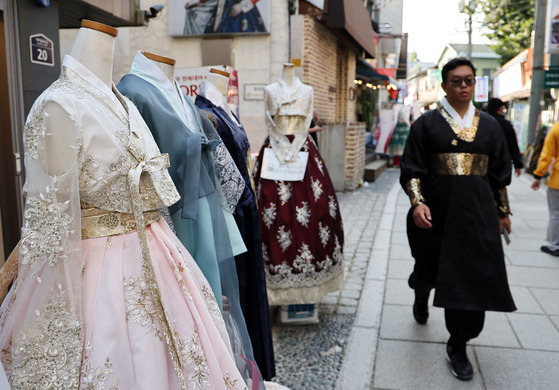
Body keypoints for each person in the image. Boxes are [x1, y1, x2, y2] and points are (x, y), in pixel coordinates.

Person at [0, 20, 248, 389]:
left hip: (157, 247)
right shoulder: (58, 104)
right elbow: (49, 219)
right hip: (99, 267)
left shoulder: (122, 101)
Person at [400, 57, 516, 381]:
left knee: (469, 278)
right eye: (456, 81)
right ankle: (421, 294)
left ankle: (458, 343)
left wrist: (503, 212)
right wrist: (417, 203)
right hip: (434, 214)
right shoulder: (425, 124)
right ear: (444, 85)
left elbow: (498, 175)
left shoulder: (491, 126)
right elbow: (411, 168)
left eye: (469, 80)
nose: (464, 86)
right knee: (428, 268)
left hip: (476, 217)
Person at [195, 68, 276, 380]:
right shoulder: (205, 113)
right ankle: (240, 367)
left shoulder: (225, 110)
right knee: (238, 291)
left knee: (250, 290)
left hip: (245, 212)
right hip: (231, 215)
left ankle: (256, 368)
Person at [252, 63, 344, 307]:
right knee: (272, 212)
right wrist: (283, 147)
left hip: (303, 152)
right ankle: (275, 282)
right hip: (274, 152)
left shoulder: (308, 91)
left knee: (316, 210)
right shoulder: (270, 90)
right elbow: (269, 122)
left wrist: (293, 147)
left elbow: (305, 125)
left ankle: (309, 283)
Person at [530, 121, 559, 256]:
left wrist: (538, 175)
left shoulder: (556, 129)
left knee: (556, 214)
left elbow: (547, 154)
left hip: (557, 181)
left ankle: (554, 246)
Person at [487, 98, 523, 177]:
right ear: (500, 108)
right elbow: (513, 145)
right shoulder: (506, 124)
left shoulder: (482, 122)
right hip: (502, 163)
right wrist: (518, 164)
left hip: (484, 162)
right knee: (499, 187)